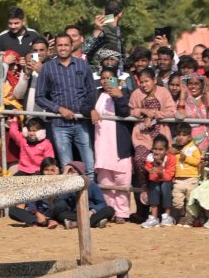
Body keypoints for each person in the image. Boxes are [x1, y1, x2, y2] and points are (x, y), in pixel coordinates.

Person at [35, 33, 97, 177]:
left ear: (71, 46)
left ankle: (89, 198)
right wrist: (59, 109)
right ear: (55, 47)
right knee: (67, 168)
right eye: (60, 45)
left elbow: (91, 91)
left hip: (82, 123)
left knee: (89, 167)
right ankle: (69, 199)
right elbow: (39, 97)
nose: (63, 48)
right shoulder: (47, 68)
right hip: (60, 125)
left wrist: (90, 109)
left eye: (66, 45)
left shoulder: (82, 64)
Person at [128, 67, 175, 205]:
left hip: (160, 136)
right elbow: (130, 110)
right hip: (142, 136)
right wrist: (143, 111)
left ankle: (162, 205)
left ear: (154, 80)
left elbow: (172, 111)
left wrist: (154, 114)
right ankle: (144, 186)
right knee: (140, 158)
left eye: (147, 81)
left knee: (162, 163)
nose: (144, 85)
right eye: (141, 82)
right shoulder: (136, 94)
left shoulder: (163, 92)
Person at [91, 67, 133, 223]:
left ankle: (122, 212)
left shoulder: (125, 93)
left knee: (122, 179)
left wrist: (119, 97)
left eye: (110, 78)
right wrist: (90, 110)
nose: (106, 81)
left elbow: (125, 113)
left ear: (116, 79)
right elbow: (85, 106)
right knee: (105, 181)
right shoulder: (96, 94)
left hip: (119, 144)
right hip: (101, 143)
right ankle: (110, 211)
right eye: (103, 78)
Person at [53, 161, 114, 229]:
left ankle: (75, 224)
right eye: (68, 171)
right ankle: (95, 222)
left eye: (72, 171)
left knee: (110, 210)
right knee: (60, 215)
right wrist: (64, 175)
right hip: (76, 214)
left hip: (92, 213)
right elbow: (60, 198)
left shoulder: (92, 185)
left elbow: (102, 203)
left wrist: (91, 212)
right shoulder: (68, 186)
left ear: (80, 173)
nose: (69, 174)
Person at [175, 72, 209, 152]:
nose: (193, 87)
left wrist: (207, 92)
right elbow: (179, 116)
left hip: (206, 138)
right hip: (187, 140)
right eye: (190, 84)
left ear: (202, 85)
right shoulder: (183, 99)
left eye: (196, 84)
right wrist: (182, 93)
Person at [170, 122, 202, 226]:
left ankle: (189, 220)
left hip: (191, 179)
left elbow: (197, 161)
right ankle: (182, 215)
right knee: (177, 201)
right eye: (179, 134)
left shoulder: (193, 148)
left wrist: (186, 158)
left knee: (190, 202)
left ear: (189, 136)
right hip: (179, 179)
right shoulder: (175, 149)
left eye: (184, 135)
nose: (180, 137)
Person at [141, 135, 176, 228]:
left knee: (165, 186)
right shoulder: (150, 159)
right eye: (155, 149)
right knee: (154, 187)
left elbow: (169, 176)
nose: (157, 152)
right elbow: (152, 177)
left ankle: (166, 216)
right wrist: (156, 168)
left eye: (161, 149)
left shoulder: (171, 158)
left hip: (168, 182)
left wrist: (160, 171)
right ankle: (154, 217)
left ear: (166, 150)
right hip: (155, 181)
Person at [84, 1, 124, 70]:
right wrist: (97, 30)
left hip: (113, 75)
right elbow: (85, 49)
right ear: (120, 14)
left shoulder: (117, 30)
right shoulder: (101, 29)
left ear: (104, 11)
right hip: (99, 75)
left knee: (112, 80)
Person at [14, 38, 49, 113]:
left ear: (48, 51)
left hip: (48, 118)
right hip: (29, 118)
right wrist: (26, 76)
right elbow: (18, 95)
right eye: (35, 51)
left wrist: (42, 72)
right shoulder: (27, 68)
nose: (38, 53)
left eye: (41, 50)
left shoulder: (55, 67)